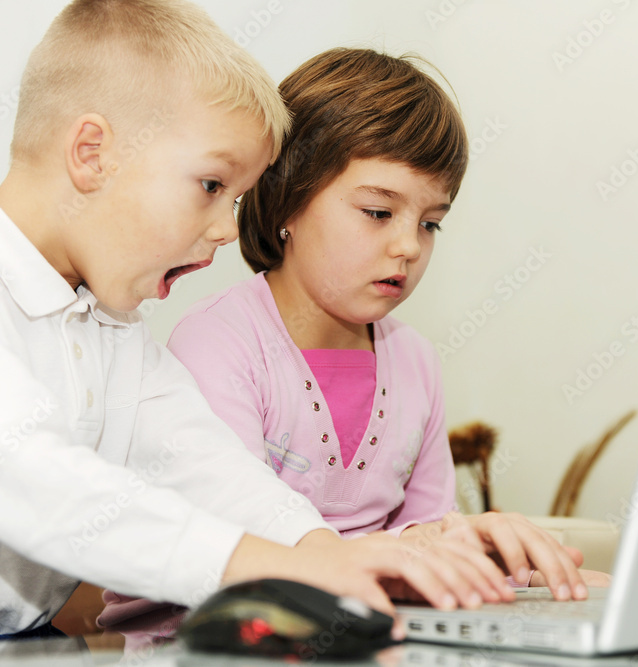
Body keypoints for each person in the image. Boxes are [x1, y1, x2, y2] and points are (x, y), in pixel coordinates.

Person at [0, 2, 513, 651]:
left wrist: (324, 552)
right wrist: (290, 567)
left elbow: (211, 467)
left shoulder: (113, 329)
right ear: (92, 154)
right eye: (211, 185)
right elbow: (40, 484)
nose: (227, 228)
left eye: (234, 199)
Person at [165, 48, 599, 596]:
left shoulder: (416, 360)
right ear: (288, 200)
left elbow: (428, 539)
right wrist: (416, 554)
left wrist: (513, 572)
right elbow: (237, 538)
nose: (408, 246)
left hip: (366, 619)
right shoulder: (217, 343)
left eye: (430, 224)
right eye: (378, 212)